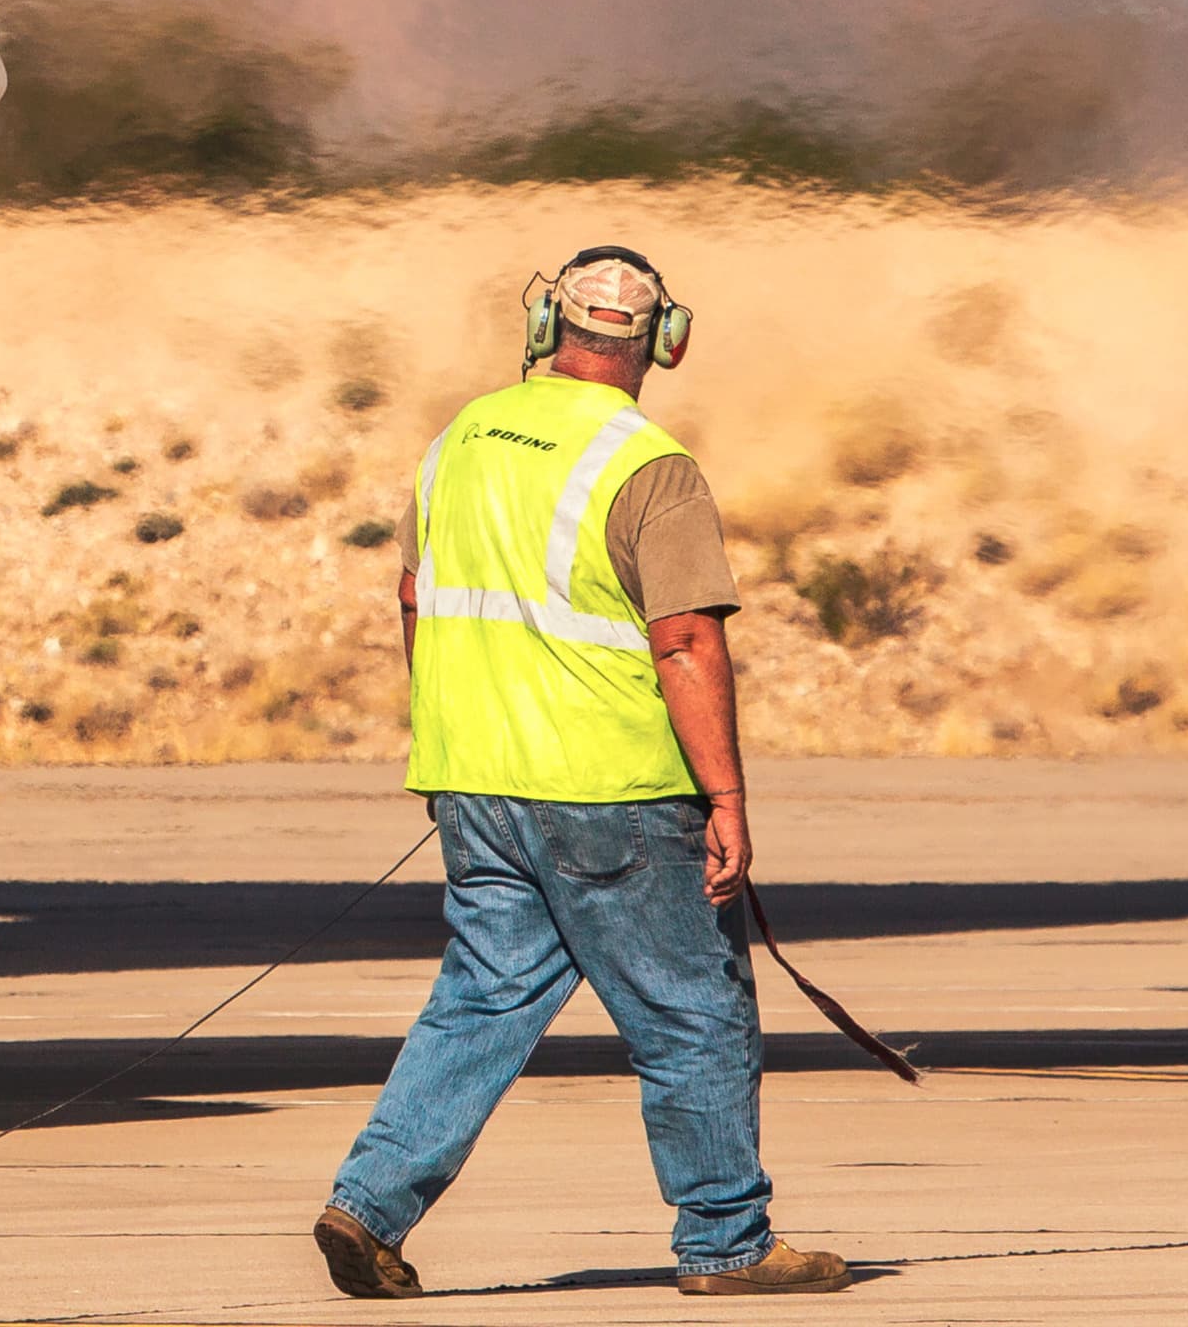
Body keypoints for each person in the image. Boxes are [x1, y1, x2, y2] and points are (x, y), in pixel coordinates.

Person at [311, 246, 853, 1300]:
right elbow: (687, 638)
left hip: (477, 779)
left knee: (478, 1000)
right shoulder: (647, 461)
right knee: (695, 1007)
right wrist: (729, 797)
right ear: (663, 338)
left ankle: (369, 1203)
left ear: (547, 326)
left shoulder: (457, 437)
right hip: (613, 790)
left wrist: (451, 745)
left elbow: (417, 600)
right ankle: (727, 1239)